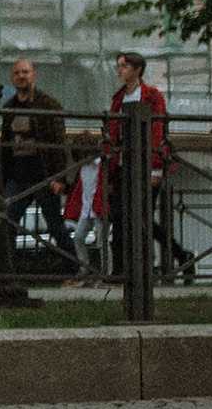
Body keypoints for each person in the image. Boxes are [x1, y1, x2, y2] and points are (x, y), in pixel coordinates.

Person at [103, 51, 172, 280]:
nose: (119, 70)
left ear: (137, 69)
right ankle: (120, 269)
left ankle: (147, 266)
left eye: (124, 66)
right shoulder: (119, 97)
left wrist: (156, 166)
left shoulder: (151, 95)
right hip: (122, 164)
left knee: (143, 218)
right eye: (118, 65)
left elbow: (157, 130)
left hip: (144, 164)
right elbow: (112, 132)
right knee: (121, 217)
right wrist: (109, 171)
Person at [1, 59, 75, 267]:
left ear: (34, 75)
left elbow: (58, 144)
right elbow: (5, 146)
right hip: (17, 177)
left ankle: (74, 267)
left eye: (25, 72)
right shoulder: (9, 108)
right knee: (7, 223)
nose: (21, 76)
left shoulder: (48, 104)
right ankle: (9, 270)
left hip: (43, 176)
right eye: (16, 73)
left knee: (55, 226)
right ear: (11, 77)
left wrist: (59, 177)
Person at [59, 130, 109, 283]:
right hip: (86, 210)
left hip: (98, 209)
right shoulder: (83, 168)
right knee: (79, 238)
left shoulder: (100, 165)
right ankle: (84, 267)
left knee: (102, 242)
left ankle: (105, 273)